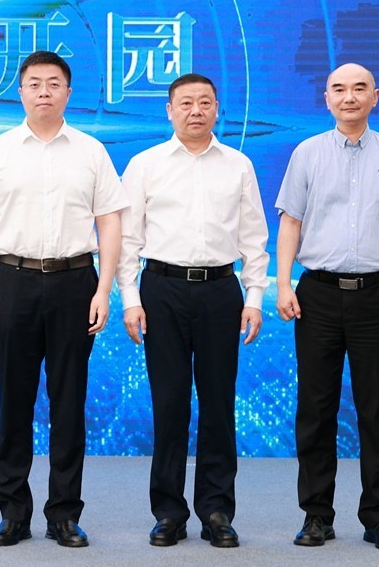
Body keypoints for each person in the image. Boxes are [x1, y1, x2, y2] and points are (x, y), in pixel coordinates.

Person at [0, 50, 127, 549]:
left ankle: (64, 515)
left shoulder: (91, 151)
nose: (44, 92)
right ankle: (12, 513)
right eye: (34, 83)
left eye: (54, 83)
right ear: (20, 92)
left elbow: (110, 222)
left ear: (68, 92)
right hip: (12, 281)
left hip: (76, 281)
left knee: (68, 401)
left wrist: (104, 289)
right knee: (14, 402)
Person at [274, 62, 379, 552]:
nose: (349, 97)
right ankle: (316, 515)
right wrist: (282, 284)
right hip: (317, 295)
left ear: (375, 97)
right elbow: (290, 222)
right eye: (339, 89)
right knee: (315, 408)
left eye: (359, 88)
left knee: (376, 409)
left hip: (378, 296)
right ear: (326, 98)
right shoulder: (307, 153)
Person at [117, 73, 269, 549]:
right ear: (169, 110)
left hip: (221, 290)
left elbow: (254, 238)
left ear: (218, 109)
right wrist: (130, 298)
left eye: (205, 102)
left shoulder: (238, 165)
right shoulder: (145, 164)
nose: (196, 110)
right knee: (169, 404)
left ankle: (217, 510)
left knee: (219, 405)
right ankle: (168, 512)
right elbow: (127, 239)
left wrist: (254, 297)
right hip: (161, 289)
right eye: (185, 103)